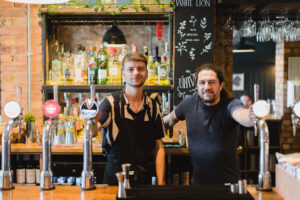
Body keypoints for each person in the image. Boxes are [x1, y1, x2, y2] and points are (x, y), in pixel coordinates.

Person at [164, 63, 256, 185]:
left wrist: (251, 116)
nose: (206, 87)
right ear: (196, 85)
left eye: (212, 82)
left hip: (228, 185)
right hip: (198, 185)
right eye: (202, 82)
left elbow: (242, 115)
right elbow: (168, 121)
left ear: (221, 85)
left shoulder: (230, 104)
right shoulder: (189, 104)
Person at [97, 52, 165, 186]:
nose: (136, 73)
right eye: (130, 69)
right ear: (123, 74)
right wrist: (93, 118)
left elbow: (159, 147)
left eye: (140, 69)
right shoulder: (109, 103)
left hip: (143, 178)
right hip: (115, 178)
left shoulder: (153, 106)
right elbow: (94, 129)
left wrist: (161, 183)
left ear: (146, 72)